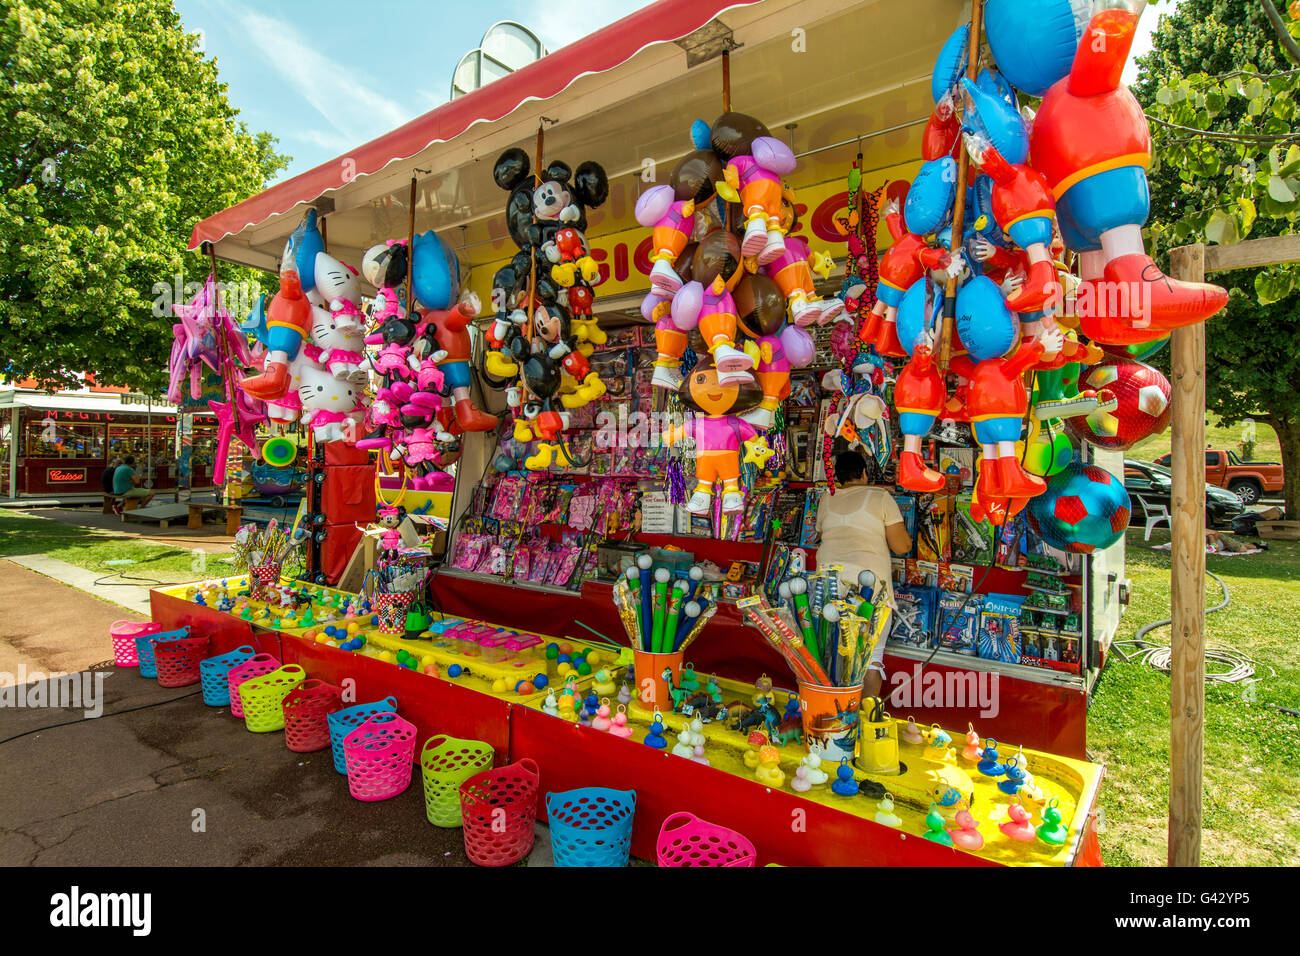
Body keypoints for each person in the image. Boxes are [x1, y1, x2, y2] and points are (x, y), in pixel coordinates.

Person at [815, 449, 913, 699]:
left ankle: (832, 714)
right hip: (869, 585)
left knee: (831, 651)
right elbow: (901, 546)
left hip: (829, 584)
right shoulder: (880, 496)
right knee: (871, 656)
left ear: (837, 476)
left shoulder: (827, 498)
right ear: (864, 473)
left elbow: (820, 533)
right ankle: (865, 718)